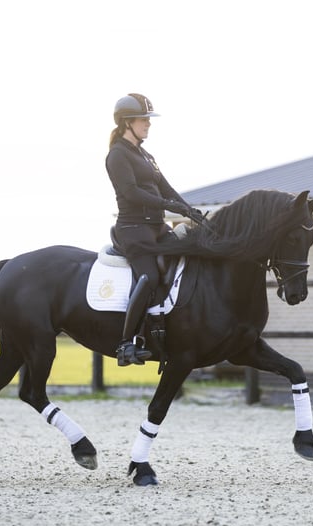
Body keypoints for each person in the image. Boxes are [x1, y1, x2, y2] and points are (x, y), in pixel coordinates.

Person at [105, 93, 199, 367]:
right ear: (126, 122)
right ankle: (125, 344)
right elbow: (131, 193)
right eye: (143, 120)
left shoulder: (146, 155)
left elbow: (166, 188)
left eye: (148, 119)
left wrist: (188, 209)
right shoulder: (117, 155)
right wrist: (169, 205)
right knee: (148, 276)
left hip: (157, 228)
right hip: (134, 230)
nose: (148, 124)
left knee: (187, 259)